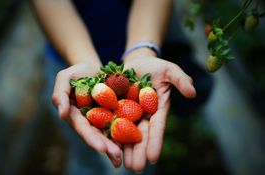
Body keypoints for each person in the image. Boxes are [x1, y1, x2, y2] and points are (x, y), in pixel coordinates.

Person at [32, 0, 212, 174]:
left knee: (140, 159)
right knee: (84, 156)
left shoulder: (133, 92)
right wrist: (83, 61)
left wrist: (141, 52)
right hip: (69, 64)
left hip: (141, 44)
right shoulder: (83, 89)